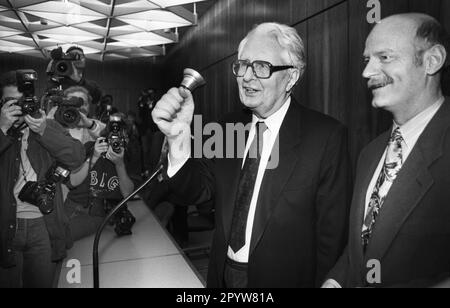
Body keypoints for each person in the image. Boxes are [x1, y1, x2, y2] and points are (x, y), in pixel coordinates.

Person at [152, 22, 351, 288]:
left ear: (291, 77)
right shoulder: (227, 128)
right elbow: (196, 192)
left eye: (262, 67)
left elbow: (332, 237)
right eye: (243, 64)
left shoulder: (326, 137)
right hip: (222, 276)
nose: (247, 76)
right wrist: (177, 138)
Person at [324, 13, 450, 288]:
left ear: (432, 60)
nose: (367, 72)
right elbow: (366, 245)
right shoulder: (369, 153)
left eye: (384, 57)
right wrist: (335, 281)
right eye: (367, 60)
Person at [0, 70, 85, 288]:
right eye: (10, 102)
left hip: (43, 224)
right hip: (5, 226)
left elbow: (76, 158)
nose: (18, 107)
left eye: (22, 101)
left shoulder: (45, 126)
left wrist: (45, 130)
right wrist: (2, 130)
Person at [64, 114, 137, 241]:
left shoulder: (128, 157)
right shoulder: (90, 147)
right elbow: (72, 182)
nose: (115, 141)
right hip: (72, 205)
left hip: (95, 213)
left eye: (121, 137)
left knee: (62, 237)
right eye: (112, 136)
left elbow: (127, 194)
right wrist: (94, 157)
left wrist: (120, 164)